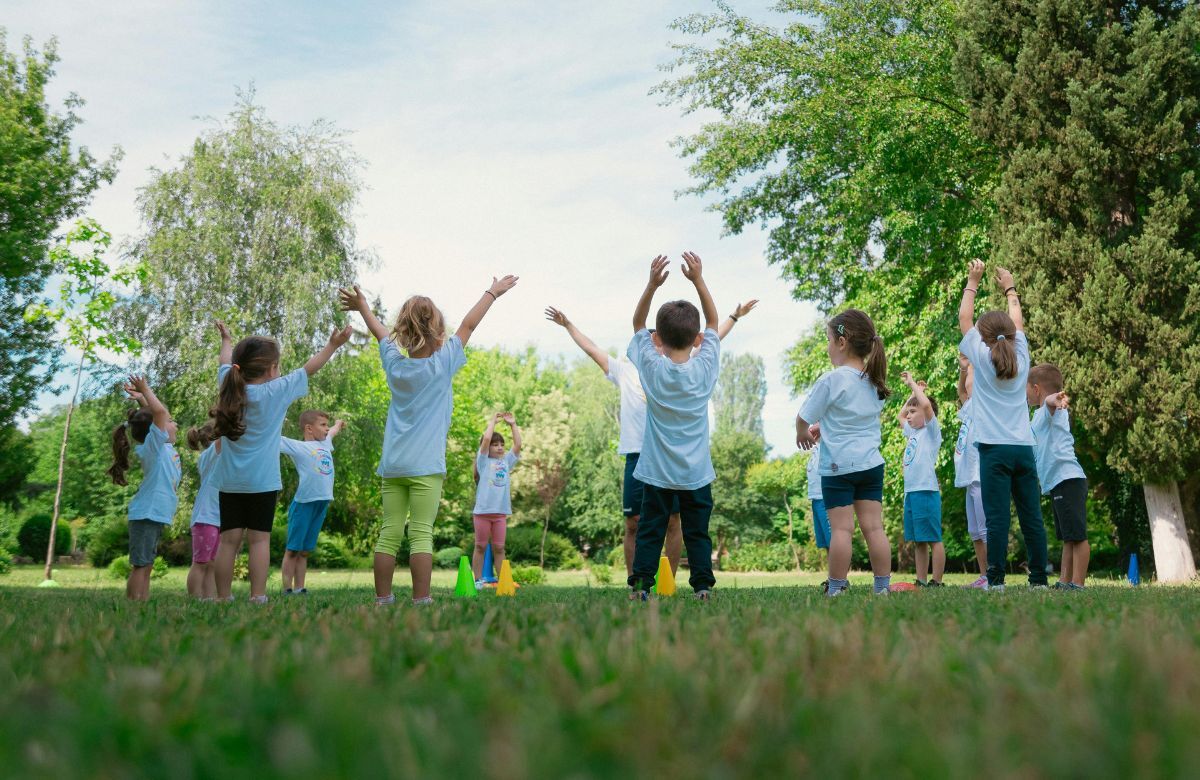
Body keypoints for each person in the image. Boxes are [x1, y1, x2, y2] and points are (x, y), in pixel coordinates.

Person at [544, 298, 757, 578]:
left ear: (661, 337)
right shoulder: (629, 368)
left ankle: (666, 579)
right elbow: (591, 349)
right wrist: (568, 324)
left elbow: (707, 338)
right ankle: (637, 579)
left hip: (670, 458)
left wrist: (735, 316)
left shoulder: (679, 366)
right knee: (636, 523)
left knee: (673, 521)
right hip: (640, 455)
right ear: (653, 337)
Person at [339, 274, 518, 606]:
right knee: (421, 532)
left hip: (393, 464)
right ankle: (421, 598)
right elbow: (469, 325)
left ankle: (383, 599)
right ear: (438, 332)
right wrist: (492, 292)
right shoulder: (443, 363)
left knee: (389, 531)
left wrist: (363, 307)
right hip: (426, 467)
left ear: (403, 334)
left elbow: (381, 333)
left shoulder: (395, 366)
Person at [210, 320, 351, 604]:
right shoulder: (276, 391)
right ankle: (257, 595)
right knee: (259, 540)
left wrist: (226, 339)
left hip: (229, 481)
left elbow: (226, 361)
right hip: (262, 482)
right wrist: (333, 345)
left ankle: (223, 597)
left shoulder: (229, 385)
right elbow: (311, 367)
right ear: (272, 369)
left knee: (228, 542)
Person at [626, 252, 721, 601]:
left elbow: (637, 324)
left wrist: (651, 284)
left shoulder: (652, 367)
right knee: (698, 533)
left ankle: (640, 588)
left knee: (650, 530)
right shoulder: (705, 366)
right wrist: (698, 279)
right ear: (696, 338)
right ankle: (702, 589)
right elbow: (713, 320)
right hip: (696, 472)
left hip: (657, 473)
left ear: (659, 339)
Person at [957, 260, 1048, 591]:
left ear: (982, 338)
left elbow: (964, 319)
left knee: (996, 520)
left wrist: (972, 280)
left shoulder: (981, 360)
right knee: (1032, 519)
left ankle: (995, 582)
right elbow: (1018, 321)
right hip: (1024, 449)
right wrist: (1010, 287)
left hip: (993, 450)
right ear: (1010, 334)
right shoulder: (1022, 358)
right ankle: (1038, 581)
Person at [795, 309, 892, 597]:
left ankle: (836, 588)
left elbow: (803, 416)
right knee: (874, 528)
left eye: (827, 340)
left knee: (841, 531)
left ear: (841, 342)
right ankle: (882, 587)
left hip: (839, 467)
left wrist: (802, 431)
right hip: (871, 465)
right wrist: (824, 428)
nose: (827, 347)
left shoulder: (832, 380)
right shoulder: (874, 381)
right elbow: (853, 418)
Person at [107, 375, 180, 601]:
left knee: (147, 563)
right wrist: (146, 389)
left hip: (153, 513)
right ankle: (133, 604)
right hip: (147, 512)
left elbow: (150, 418)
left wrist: (141, 400)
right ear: (157, 430)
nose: (174, 424)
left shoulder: (160, 446)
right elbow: (157, 415)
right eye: (170, 422)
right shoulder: (154, 447)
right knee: (140, 564)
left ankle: (142, 601)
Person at [1027, 363, 1089, 590]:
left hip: (1068, 479)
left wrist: (1054, 399)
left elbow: (1050, 403)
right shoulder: (1038, 416)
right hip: (1057, 482)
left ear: (1036, 389)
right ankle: (1065, 580)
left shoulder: (1051, 410)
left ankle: (1078, 583)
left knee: (1078, 535)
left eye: (1025, 390)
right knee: (1068, 536)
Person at [280, 411, 345, 595]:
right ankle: (287, 589)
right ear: (309, 428)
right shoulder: (298, 447)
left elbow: (332, 432)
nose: (326, 428)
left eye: (327, 425)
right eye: (322, 425)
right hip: (303, 504)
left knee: (305, 551)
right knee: (293, 549)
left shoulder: (325, 443)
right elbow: (272, 437)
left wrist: (338, 424)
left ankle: (300, 588)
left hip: (321, 503)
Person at [899, 371, 944, 587]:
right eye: (909, 411)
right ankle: (921, 580)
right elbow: (899, 416)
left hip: (926, 491)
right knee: (919, 540)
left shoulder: (931, 431)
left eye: (912, 412)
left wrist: (914, 387)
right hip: (911, 493)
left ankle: (936, 580)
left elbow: (926, 407)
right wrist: (913, 397)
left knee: (933, 538)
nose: (908, 415)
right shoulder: (912, 433)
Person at [471, 412, 521, 585]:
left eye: (501, 444)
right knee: (480, 547)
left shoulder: (506, 462)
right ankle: (476, 580)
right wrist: (493, 421)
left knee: (499, 548)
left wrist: (513, 425)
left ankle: (504, 581)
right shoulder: (483, 462)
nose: (499, 447)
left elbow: (518, 445)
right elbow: (485, 440)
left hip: (500, 514)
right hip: (483, 513)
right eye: (495, 444)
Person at [955, 353, 988, 589]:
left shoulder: (985, 406)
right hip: (969, 477)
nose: (967, 386)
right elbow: (961, 392)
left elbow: (970, 390)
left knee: (985, 529)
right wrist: (963, 370)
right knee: (975, 532)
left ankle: (994, 576)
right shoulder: (969, 408)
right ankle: (985, 575)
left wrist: (974, 366)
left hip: (980, 474)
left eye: (970, 382)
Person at [186, 423, 221, 600]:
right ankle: (194, 599)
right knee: (200, 562)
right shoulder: (209, 455)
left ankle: (209, 598)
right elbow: (226, 439)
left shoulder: (217, 456)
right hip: (206, 517)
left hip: (218, 517)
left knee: (213, 563)